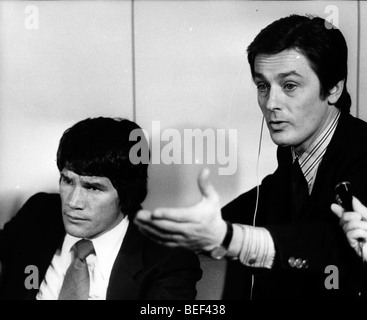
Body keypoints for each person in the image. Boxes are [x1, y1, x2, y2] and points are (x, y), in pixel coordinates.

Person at [134, 14, 367, 299]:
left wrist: (230, 239)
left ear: (333, 89)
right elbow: (263, 201)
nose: (271, 104)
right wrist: (187, 228)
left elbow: (330, 243)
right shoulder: (293, 159)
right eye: (263, 86)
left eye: (290, 86)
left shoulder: (363, 151)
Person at [0, 117, 202, 300]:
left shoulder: (168, 259)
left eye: (93, 188)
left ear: (126, 193)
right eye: (68, 181)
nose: (73, 202)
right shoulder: (38, 213)